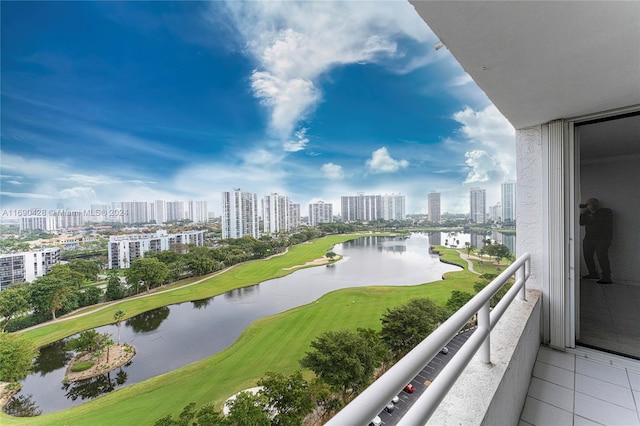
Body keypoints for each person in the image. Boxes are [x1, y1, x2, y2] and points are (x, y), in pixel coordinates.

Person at [580, 198, 613, 283]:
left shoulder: (606, 212)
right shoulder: (587, 213)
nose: (589, 205)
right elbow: (582, 223)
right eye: (588, 204)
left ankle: (607, 277)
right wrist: (583, 213)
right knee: (587, 255)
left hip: (602, 239)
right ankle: (592, 273)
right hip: (589, 238)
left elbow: (598, 220)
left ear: (596, 203)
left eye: (590, 203)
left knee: (602, 257)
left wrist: (591, 212)